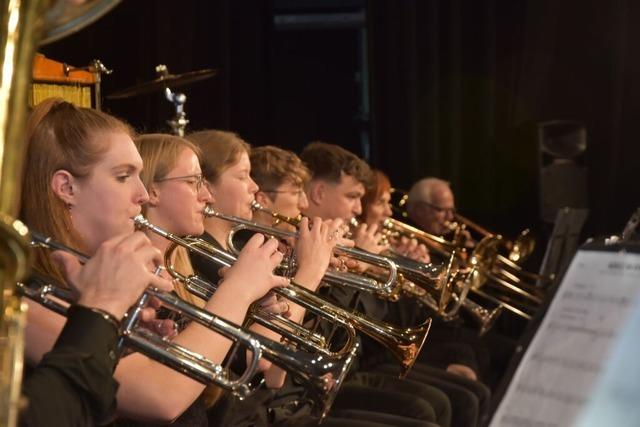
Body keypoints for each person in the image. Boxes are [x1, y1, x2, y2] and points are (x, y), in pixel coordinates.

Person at [20, 99, 285, 424]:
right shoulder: (23, 295)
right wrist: (240, 289)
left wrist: (132, 337)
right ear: (67, 187)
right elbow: (160, 396)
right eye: (123, 176)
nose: (142, 194)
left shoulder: (86, 277)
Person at [187, 132, 442, 427]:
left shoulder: (246, 251)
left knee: (432, 408)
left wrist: (334, 273)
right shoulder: (214, 255)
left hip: (285, 401)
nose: (253, 187)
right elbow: (267, 367)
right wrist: (310, 272)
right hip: (262, 413)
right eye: (243, 176)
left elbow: (278, 368)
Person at [300, 143, 491, 427]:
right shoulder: (302, 246)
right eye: (353, 197)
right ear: (319, 193)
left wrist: (399, 279)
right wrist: (365, 274)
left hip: (357, 362)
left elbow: (394, 320)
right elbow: (337, 334)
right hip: (330, 376)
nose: (357, 209)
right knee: (432, 407)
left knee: (468, 385)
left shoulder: (341, 241)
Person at [20, 232, 173, 427]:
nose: (143, 200)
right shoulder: (21, 295)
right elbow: (162, 398)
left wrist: (111, 337)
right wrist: (104, 306)